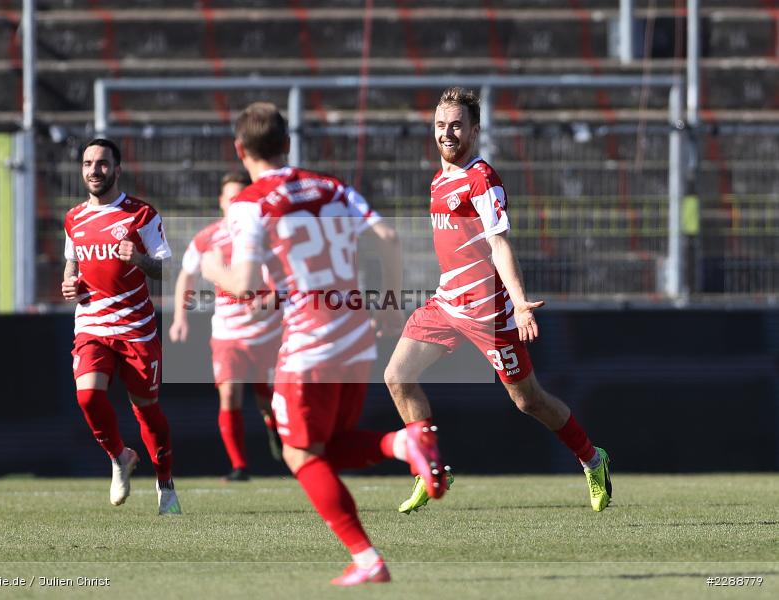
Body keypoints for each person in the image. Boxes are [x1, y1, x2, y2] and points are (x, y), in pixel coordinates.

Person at [200, 102, 430, 586]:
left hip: (311, 340)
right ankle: (400, 443)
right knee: (328, 446)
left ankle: (368, 557)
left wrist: (209, 268)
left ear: (240, 150)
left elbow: (242, 282)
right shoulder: (331, 186)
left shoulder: (250, 202)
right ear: (287, 143)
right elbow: (387, 236)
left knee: (299, 455)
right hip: (356, 333)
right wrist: (389, 302)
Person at [385, 87, 612, 515]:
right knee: (397, 376)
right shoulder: (439, 178)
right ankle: (430, 470)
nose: (446, 134)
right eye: (439, 126)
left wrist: (520, 302)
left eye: (455, 125)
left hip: (488, 312)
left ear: (474, 129)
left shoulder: (481, 178)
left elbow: (499, 243)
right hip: (446, 303)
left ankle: (592, 458)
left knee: (528, 401)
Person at [61, 138, 181, 516]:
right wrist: (69, 282)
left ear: (117, 169)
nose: (94, 170)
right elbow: (73, 263)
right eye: (87, 164)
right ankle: (119, 456)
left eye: (102, 163)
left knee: (147, 411)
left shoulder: (140, 214)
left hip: (136, 329)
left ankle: (166, 484)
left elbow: (166, 269)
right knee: (88, 397)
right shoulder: (74, 218)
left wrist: (141, 259)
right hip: (92, 324)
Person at [169, 170, 283, 481]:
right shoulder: (207, 238)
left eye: (241, 198)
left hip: (267, 333)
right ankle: (239, 466)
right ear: (221, 202)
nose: (235, 204)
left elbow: (286, 281)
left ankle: (276, 431)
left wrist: (270, 302)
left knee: (268, 401)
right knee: (229, 394)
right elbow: (186, 276)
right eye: (230, 197)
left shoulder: (266, 236)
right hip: (227, 335)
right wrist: (180, 317)